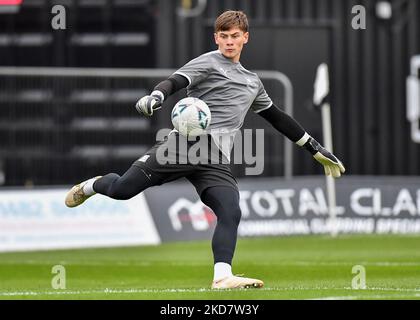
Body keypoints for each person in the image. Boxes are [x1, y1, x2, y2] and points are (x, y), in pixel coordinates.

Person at [65, 10, 345, 289]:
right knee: (122, 190)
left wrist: (313, 147)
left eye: (235, 36)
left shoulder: (252, 82)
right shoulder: (208, 62)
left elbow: (277, 117)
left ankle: (222, 276)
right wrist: (157, 95)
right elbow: (176, 81)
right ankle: (89, 186)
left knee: (231, 211)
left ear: (245, 38)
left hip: (214, 158)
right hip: (182, 145)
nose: (229, 42)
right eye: (223, 36)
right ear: (216, 38)